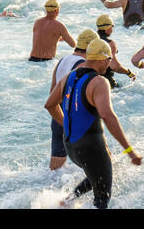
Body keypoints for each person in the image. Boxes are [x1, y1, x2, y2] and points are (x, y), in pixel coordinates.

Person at [45, 38, 141, 209]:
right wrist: (130, 151)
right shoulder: (99, 82)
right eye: (110, 60)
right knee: (101, 201)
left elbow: (50, 105)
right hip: (91, 147)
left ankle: (67, 201)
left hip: (71, 145)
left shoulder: (69, 76)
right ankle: (68, 201)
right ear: (103, 59)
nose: (110, 64)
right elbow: (107, 116)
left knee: (95, 173)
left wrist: (67, 126)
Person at [48, 29, 99, 170]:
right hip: (74, 121)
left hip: (58, 117)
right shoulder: (83, 65)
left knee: (55, 170)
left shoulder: (62, 61)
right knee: (97, 165)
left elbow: (52, 93)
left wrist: (62, 121)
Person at [95, 14, 136, 88]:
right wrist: (129, 73)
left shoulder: (90, 40)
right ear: (107, 28)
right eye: (111, 27)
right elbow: (115, 67)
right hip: (105, 81)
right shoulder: (110, 43)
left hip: (88, 79)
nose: (112, 29)